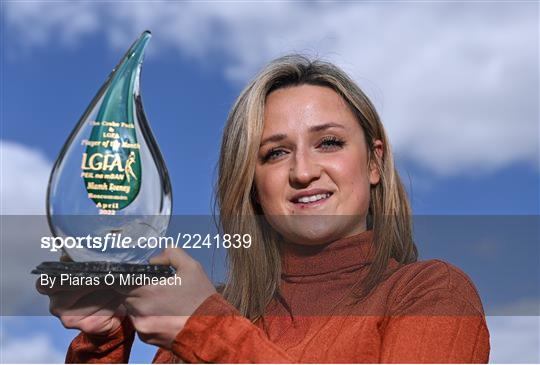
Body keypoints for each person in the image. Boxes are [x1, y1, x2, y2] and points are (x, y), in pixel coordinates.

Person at [37, 55, 490, 363]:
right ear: (253, 186)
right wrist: (103, 342)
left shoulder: (430, 293)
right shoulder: (199, 324)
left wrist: (208, 329)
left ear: (374, 161)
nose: (303, 171)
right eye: (274, 153)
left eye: (328, 143)